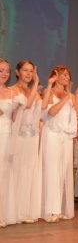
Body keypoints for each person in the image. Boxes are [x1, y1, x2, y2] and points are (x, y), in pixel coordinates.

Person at [40, 65, 78, 222]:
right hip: (52, 134)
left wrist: (77, 94)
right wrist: (66, 97)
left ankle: (58, 208)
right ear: (56, 76)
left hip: (65, 138)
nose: (67, 77)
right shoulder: (49, 92)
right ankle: (50, 210)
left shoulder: (71, 96)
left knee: (61, 171)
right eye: (64, 75)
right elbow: (50, 112)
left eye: (68, 75)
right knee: (52, 170)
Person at [10, 60, 42, 223]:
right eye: (25, 70)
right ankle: (13, 211)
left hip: (32, 136)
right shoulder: (12, 90)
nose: (29, 74)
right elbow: (26, 107)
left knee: (29, 172)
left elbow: (39, 115)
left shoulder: (34, 91)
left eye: (31, 71)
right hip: (19, 136)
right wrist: (37, 83)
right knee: (16, 171)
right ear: (17, 72)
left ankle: (24, 210)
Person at [0, 58, 17, 227]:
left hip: (6, 135)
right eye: (1, 70)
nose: (5, 74)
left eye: (7, 71)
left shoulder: (13, 93)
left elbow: (13, 118)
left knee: (3, 174)